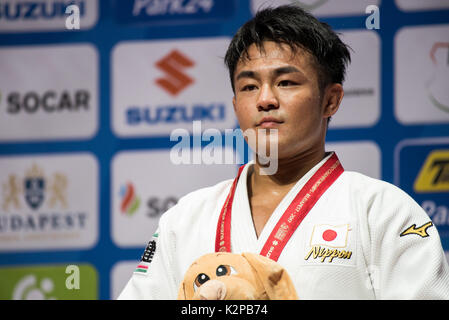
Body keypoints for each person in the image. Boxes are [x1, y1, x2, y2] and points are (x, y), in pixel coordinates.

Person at [118, 5, 449, 299]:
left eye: (286, 82)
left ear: (331, 100)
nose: (265, 99)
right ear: (236, 105)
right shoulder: (186, 218)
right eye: (249, 87)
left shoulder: (383, 213)